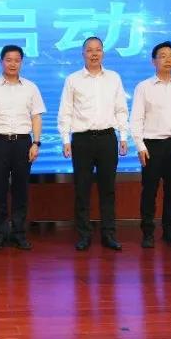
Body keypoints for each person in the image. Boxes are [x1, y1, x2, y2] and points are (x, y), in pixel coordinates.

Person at [58, 36, 129, 251]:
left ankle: (109, 234)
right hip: (82, 140)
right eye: (89, 50)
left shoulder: (114, 78)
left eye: (98, 49)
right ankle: (84, 235)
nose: (94, 53)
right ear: (83, 54)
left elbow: (121, 109)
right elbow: (66, 111)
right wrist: (65, 139)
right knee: (82, 189)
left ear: (103, 53)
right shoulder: (73, 79)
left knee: (108, 189)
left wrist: (123, 136)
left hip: (108, 138)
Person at [130, 40, 171, 250]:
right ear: (154, 61)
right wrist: (140, 146)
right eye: (162, 56)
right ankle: (148, 233)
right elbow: (136, 119)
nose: (168, 60)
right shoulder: (144, 87)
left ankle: (170, 233)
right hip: (152, 146)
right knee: (149, 191)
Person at [0, 45, 45, 251]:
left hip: (23, 143)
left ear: (21, 62)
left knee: (21, 190)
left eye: (17, 60)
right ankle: (0, 233)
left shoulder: (31, 87)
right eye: (8, 60)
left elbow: (36, 116)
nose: (12, 64)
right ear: (1, 62)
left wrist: (36, 143)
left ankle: (19, 233)